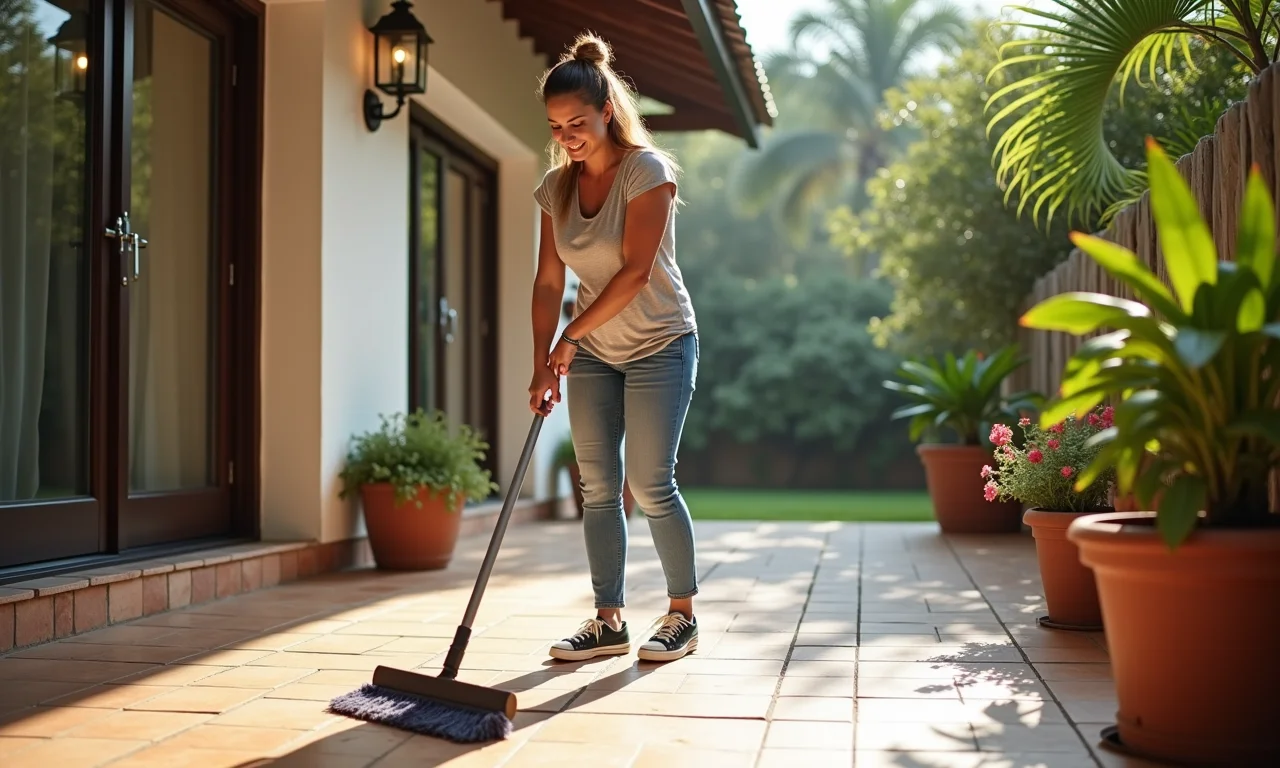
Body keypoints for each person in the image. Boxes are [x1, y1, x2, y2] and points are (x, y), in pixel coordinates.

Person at [528, 33, 700, 663]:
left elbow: (633, 272)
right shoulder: (557, 187)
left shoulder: (645, 171)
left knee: (652, 484)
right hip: (594, 351)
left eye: (577, 121)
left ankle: (682, 614)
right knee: (598, 487)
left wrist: (569, 337)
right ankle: (609, 620)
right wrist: (541, 364)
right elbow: (549, 282)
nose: (567, 135)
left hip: (661, 340)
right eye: (555, 126)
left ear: (606, 111)